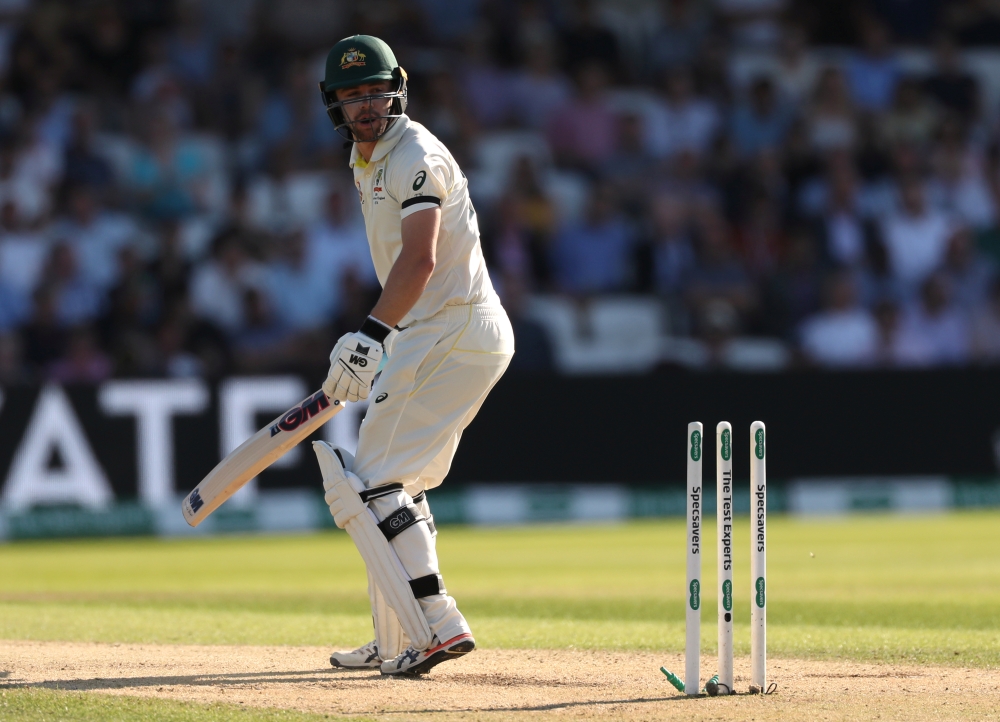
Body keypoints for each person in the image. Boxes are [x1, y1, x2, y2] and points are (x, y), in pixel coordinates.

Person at [315, 35, 514, 676]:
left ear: (397, 88)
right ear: (335, 105)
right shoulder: (364, 159)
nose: (367, 106)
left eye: (375, 91)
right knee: (399, 485)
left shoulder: (415, 155)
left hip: (450, 330)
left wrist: (370, 334)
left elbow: (421, 259)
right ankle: (400, 628)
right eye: (353, 96)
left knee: (371, 480)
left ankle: (437, 623)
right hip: (434, 333)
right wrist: (387, 336)